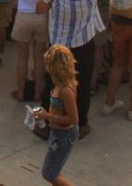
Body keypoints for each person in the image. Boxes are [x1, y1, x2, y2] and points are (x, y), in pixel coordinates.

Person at [36, 0, 119, 140]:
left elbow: (40, 9)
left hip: (58, 44)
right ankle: (80, 123)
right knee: (81, 84)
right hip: (83, 43)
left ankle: (47, 124)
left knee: (52, 84)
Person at [30, 45, 80, 186]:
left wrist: (48, 116)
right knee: (54, 171)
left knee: (49, 173)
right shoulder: (59, 84)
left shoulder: (66, 90)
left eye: (47, 63)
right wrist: (44, 114)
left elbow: (74, 119)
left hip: (64, 135)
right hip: (57, 132)